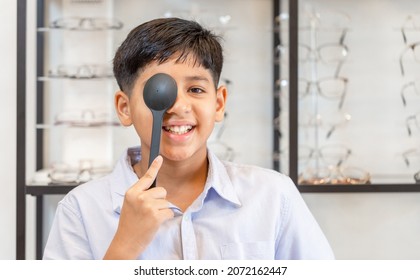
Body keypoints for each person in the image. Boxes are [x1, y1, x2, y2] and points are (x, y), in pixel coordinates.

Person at [43, 17, 334, 260]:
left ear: (219, 103)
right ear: (124, 107)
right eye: (158, 91)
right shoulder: (80, 211)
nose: (178, 106)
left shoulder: (272, 196)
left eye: (195, 90)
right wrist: (124, 246)